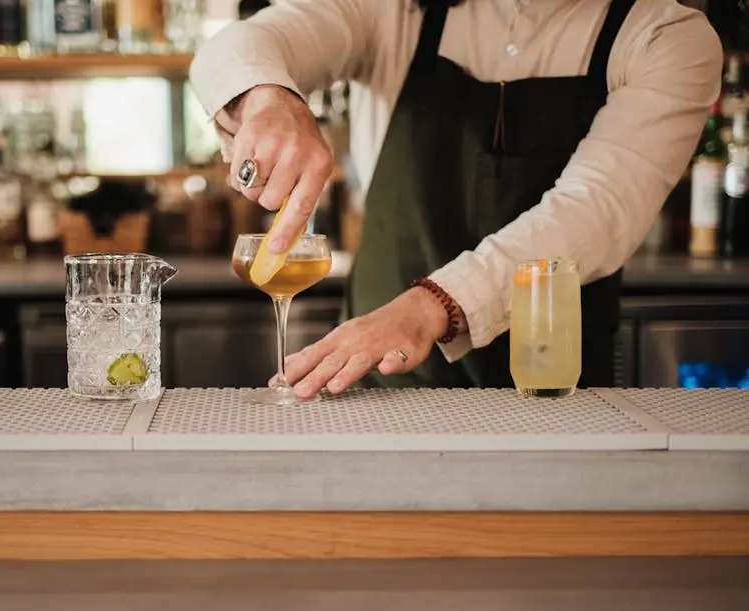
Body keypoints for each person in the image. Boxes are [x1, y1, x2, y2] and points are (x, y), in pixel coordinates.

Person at [190, 0, 722, 397]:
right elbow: (241, 45)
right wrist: (269, 98)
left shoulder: (663, 35)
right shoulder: (397, 10)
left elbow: (596, 207)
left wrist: (430, 307)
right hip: (378, 384)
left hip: (555, 394)